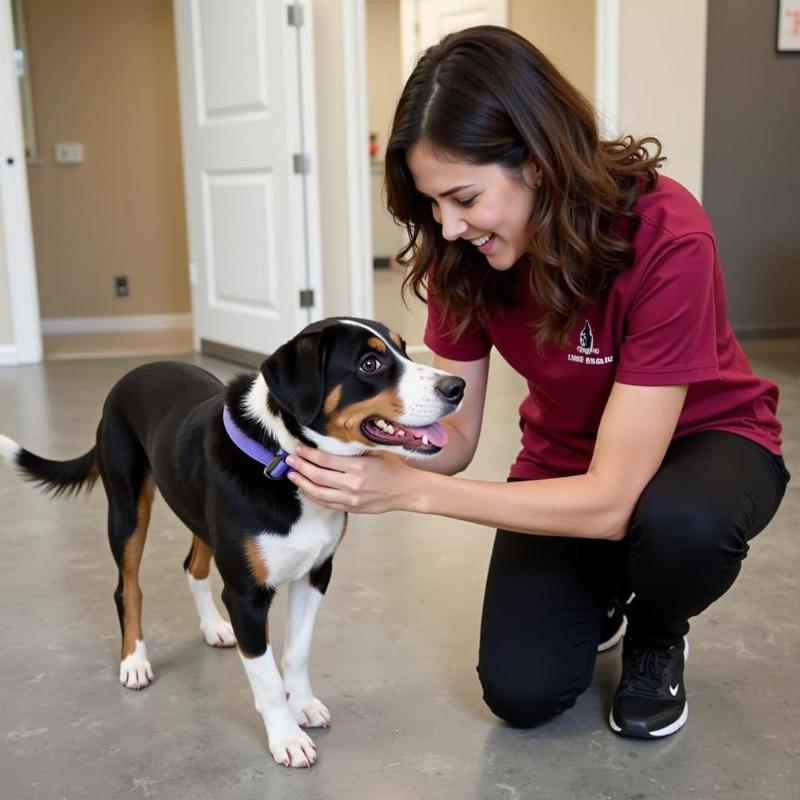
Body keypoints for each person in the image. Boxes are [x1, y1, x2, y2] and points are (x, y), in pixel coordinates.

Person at [284, 26, 790, 739]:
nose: (449, 227)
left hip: (706, 445)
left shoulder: (667, 234)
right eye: (434, 205)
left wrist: (413, 491)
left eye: (464, 197)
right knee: (524, 692)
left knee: (683, 526)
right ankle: (604, 587)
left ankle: (657, 627)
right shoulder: (459, 259)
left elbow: (614, 500)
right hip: (568, 461)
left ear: (539, 161)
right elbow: (454, 438)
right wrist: (363, 447)